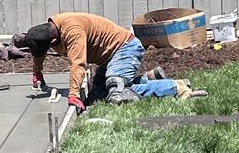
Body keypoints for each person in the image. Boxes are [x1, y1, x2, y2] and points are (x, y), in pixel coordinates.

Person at [10, 13, 191, 109]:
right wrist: (37, 71)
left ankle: (175, 87)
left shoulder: (72, 31)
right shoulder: (49, 30)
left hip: (125, 49)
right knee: (96, 98)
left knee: (117, 93)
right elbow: (39, 51)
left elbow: (78, 64)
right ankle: (149, 78)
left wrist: (73, 95)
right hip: (109, 59)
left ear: (53, 41)